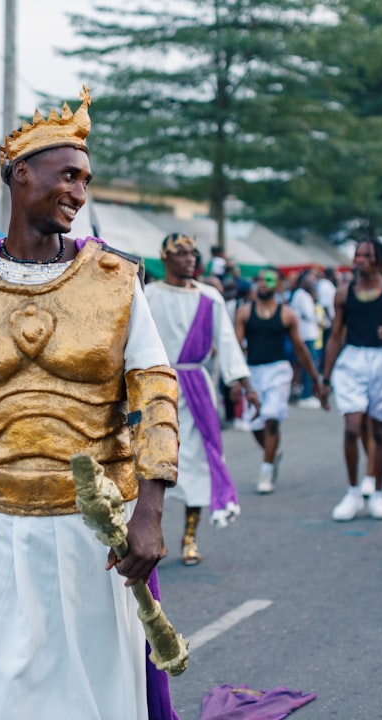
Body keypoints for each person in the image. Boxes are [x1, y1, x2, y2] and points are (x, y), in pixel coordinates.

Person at [0, 88, 181, 719]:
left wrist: (150, 512)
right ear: (21, 173)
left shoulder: (116, 280)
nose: (78, 191)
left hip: (90, 530)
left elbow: (154, 395)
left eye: (86, 180)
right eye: (67, 175)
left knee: (82, 695)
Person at [144, 233, 260, 566]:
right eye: (181, 252)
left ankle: (190, 537)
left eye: (193, 252)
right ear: (164, 257)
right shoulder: (148, 296)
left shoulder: (210, 297)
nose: (190, 258)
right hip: (156, 388)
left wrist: (245, 383)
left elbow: (227, 342)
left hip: (195, 388)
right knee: (154, 465)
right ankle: (154, 533)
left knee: (195, 462)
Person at [322, 238, 382, 522]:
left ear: (378, 260)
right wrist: (324, 377)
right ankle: (352, 492)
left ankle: (377, 494)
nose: (359, 259)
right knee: (352, 427)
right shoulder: (343, 293)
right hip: (353, 359)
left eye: (366, 255)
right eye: (357, 254)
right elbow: (335, 336)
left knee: (379, 428)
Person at [234, 267, 327, 494]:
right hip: (253, 372)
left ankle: (266, 472)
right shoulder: (245, 312)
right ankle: (272, 455)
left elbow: (300, 348)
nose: (263, 284)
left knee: (272, 418)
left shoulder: (287, 314)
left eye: (268, 280)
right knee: (256, 425)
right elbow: (235, 348)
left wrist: (315, 378)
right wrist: (236, 380)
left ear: (278, 285)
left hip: (278, 371)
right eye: (259, 280)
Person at [289, 270, 322, 408]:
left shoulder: (299, 295)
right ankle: (306, 395)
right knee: (310, 364)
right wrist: (318, 317)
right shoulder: (302, 296)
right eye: (310, 282)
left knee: (307, 364)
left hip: (307, 334)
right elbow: (309, 314)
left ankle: (306, 392)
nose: (313, 284)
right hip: (307, 334)